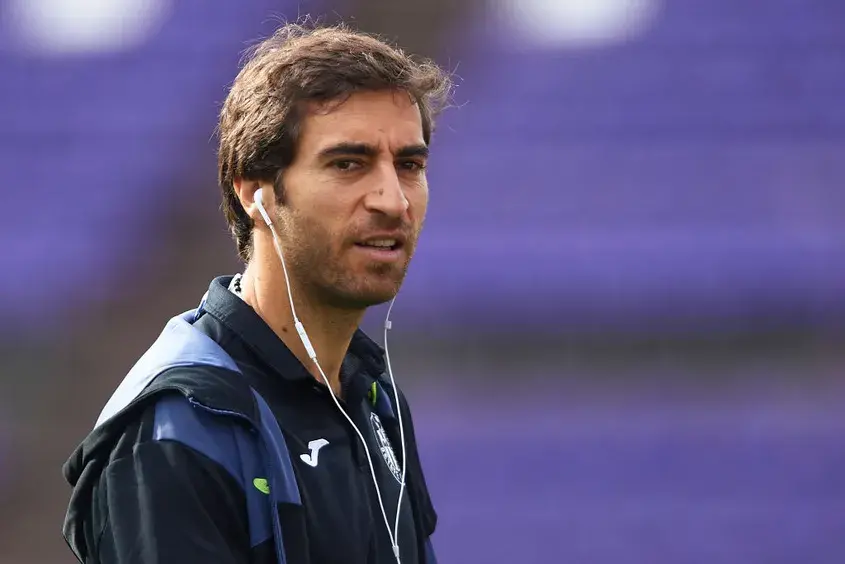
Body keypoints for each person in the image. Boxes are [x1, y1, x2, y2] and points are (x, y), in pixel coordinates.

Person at [62, 22, 452, 564]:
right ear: (254, 192)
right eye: (348, 164)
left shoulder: (375, 399)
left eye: (409, 165)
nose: (393, 200)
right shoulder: (179, 430)